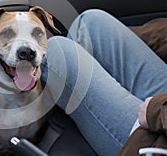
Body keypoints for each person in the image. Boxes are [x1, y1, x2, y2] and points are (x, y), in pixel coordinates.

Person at [40, 9, 167, 156]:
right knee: (90, 23)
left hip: (158, 140)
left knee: (58, 54)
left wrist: (156, 111)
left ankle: (35, 132)